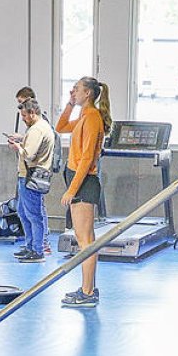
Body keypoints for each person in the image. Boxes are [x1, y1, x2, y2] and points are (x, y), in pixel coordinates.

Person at [56, 76, 111, 308]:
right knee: (84, 240)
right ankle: (88, 288)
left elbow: (88, 158)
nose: (73, 91)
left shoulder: (92, 118)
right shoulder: (83, 116)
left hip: (85, 181)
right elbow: (59, 127)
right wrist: (69, 103)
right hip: (78, 178)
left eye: (76, 89)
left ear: (87, 93)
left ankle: (87, 292)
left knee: (86, 241)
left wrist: (72, 189)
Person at [9, 98, 55, 264]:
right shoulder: (41, 127)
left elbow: (29, 154)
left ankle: (37, 250)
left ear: (33, 113)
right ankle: (31, 246)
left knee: (34, 215)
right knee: (23, 212)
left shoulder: (37, 130)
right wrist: (22, 140)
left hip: (30, 176)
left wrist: (17, 147)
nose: (23, 118)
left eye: (24, 115)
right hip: (30, 175)